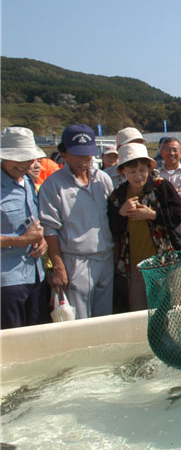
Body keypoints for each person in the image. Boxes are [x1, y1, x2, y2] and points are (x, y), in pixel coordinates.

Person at [39, 124, 115, 319]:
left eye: (88, 155)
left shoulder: (102, 179)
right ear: (64, 154)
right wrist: (58, 266)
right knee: (80, 320)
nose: (84, 160)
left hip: (106, 255)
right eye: (78, 155)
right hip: (76, 260)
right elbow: (50, 229)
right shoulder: (53, 185)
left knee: (105, 317)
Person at [108, 143, 181, 311]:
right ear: (123, 172)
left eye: (142, 170)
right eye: (132, 171)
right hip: (136, 265)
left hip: (166, 262)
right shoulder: (118, 195)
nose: (139, 176)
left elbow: (180, 212)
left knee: (171, 310)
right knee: (138, 311)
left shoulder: (160, 186)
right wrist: (121, 213)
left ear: (149, 169)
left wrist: (153, 215)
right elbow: (113, 229)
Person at [1, 127, 49, 328]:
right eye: (18, 159)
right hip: (7, 280)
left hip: (37, 274)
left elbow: (36, 222)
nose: (24, 164)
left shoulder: (29, 182)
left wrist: (42, 239)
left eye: (28, 159)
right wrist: (22, 241)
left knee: (39, 336)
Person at [157, 137, 181, 249]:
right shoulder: (156, 174)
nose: (171, 153)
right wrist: (175, 192)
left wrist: (167, 194)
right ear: (161, 152)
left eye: (175, 150)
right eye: (167, 149)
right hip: (163, 221)